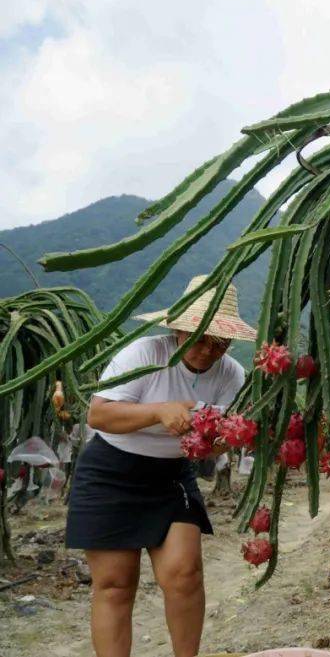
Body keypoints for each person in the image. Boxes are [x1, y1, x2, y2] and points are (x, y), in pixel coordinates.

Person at [66, 275, 255, 657]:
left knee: (184, 575)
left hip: (171, 476)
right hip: (110, 472)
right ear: (179, 328)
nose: (207, 349)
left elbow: (227, 435)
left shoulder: (232, 374)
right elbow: (98, 415)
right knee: (116, 584)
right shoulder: (144, 354)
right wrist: (158, 410)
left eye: (219, 342)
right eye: (199, 336)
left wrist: (215, 443)